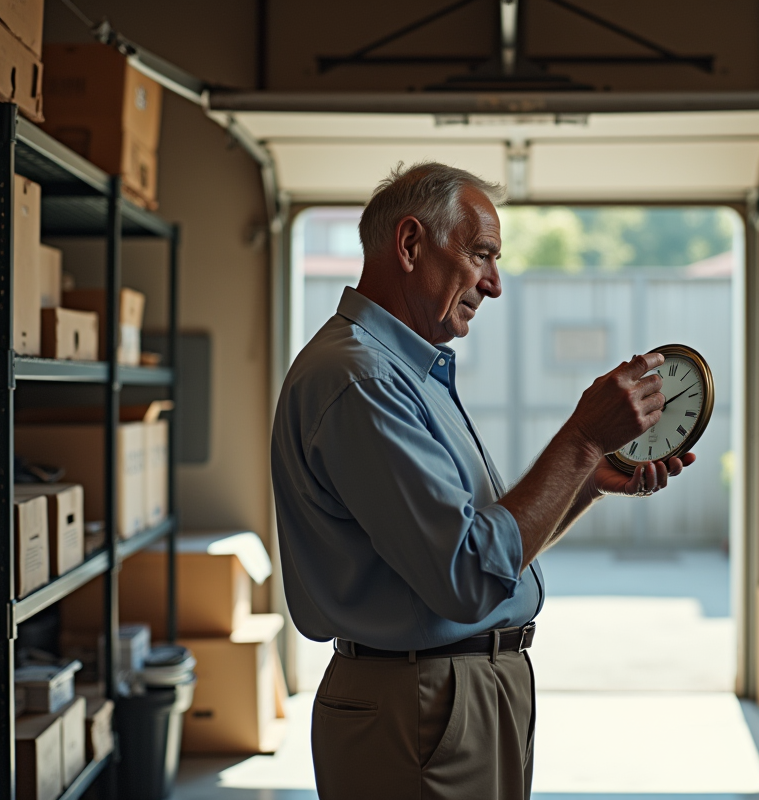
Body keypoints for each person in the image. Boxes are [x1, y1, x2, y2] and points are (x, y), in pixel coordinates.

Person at [271, 161, 696, 800]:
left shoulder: (402, 372)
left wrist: (586, 482)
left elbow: (477, 550)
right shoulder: (361, 381)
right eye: (481, 255)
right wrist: (580, 439)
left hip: (447, 695)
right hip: (420, 706)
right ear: (411, 245)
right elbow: (467, 577)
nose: (494, 285)